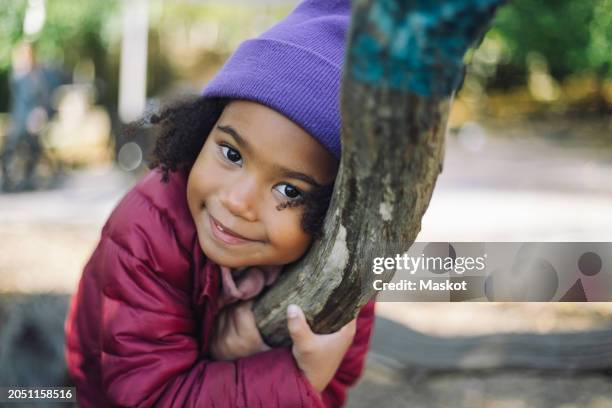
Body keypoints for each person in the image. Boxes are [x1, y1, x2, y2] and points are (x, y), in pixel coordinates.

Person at [65, 1, 376, 406]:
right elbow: (147, 396)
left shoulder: (342, 268)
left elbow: (335, 383)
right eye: (231, 154)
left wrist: (303, 375)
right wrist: (300, 376)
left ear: (334, 211)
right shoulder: (147, 230)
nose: (237, 200)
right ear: (203, 130)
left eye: (290, 191)